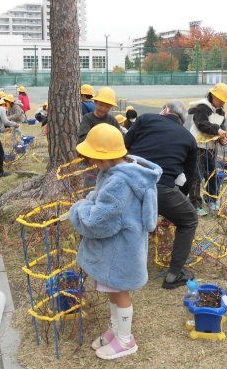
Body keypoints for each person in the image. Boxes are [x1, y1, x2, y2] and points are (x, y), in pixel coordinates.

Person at [67, 123, 161, 360]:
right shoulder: (121, 172)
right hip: (120, 246)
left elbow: (98, 222)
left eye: (94, 158)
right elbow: (101, 200)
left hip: (119, 250)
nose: (92, 162)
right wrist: (91, 201)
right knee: (112, 290)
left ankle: (126, 340)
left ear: (106, 156)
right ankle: (116, 330)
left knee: (119, 293)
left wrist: (79, 209)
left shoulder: (118, 182)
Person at [124, 100, 199, 290]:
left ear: (165, 110)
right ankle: (174, 275)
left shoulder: (146, 119)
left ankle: (122, 267)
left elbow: (124, 146)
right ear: (182, 120)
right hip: (161, 187)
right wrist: (176, 201)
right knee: (189, 219)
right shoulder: (189, 138)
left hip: (129, 181)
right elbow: (189, 178)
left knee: (131, 220)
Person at [188, 83, 227, 216]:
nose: (222, 102)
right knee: (196, 176)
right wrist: (218, 130)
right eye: (221, 99)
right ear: (213, 95)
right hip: (198, 147)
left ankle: (211, 199)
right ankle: (195, 204)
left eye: (224, 100)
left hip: (212, 147)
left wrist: (222, 139)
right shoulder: (202, 107)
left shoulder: (221, 112)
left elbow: (222, 127)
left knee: (212, 174)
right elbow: (201, 124)